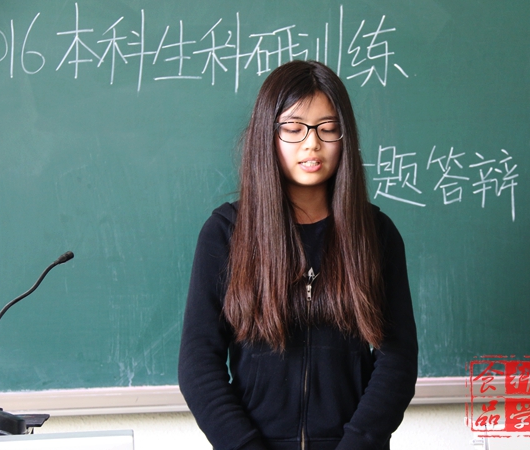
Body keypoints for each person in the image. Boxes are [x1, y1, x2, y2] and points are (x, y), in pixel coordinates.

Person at [178, 60, 418, 450]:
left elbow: (398, 359)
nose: (311, 144)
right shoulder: (225, 233)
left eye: (328, 128)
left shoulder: (376, 234)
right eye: (293, 129)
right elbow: (198, 364)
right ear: (267, 134)